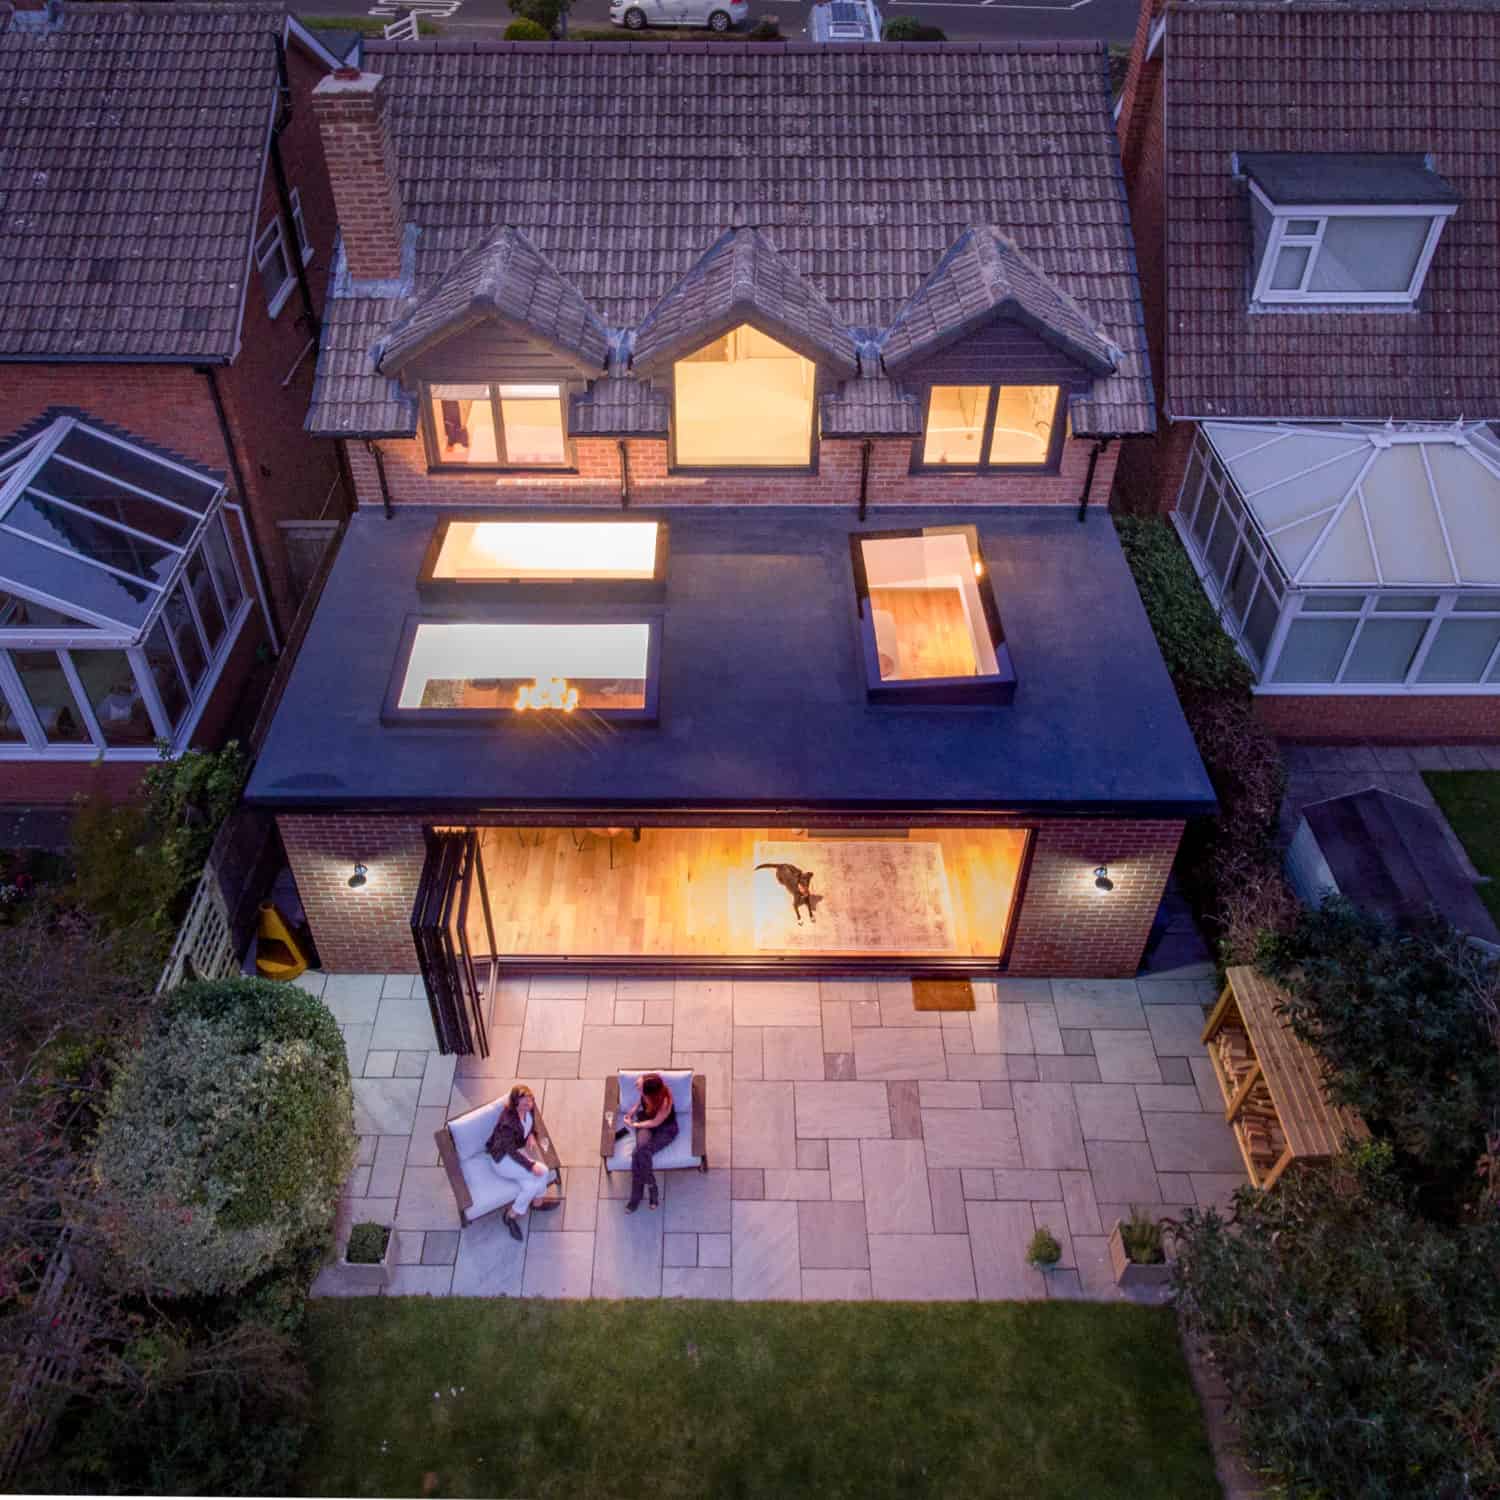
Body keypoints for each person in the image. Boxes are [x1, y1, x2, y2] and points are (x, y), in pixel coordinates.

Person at [484, 1085, 554, 1242]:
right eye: (524, 1104)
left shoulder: (530, 1106)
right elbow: (511, 1151)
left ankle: (532, 1204)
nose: (529, 1105)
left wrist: (531, 1135)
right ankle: (514, 1212)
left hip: (515, 1153)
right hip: (502, 1160)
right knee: (542, 1172)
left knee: (531, 1186)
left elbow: (532, 1122)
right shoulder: (507, 1123)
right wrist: (530, 1165)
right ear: (515, 1104)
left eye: (530, 1101)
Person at [622, 1072, 677, 1213]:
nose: (636, 1086)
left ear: (650, 1093)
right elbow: (640, 1101)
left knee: (637, 1155)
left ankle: (637, 1197)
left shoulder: (665, 1101)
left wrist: (634, 1125)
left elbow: (655, 1122)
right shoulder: (646, 1089)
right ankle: (651, 1186)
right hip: (646, 1121)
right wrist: (632, 1111)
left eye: (639, 1086)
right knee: (640, 1153)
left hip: (665, 1129)